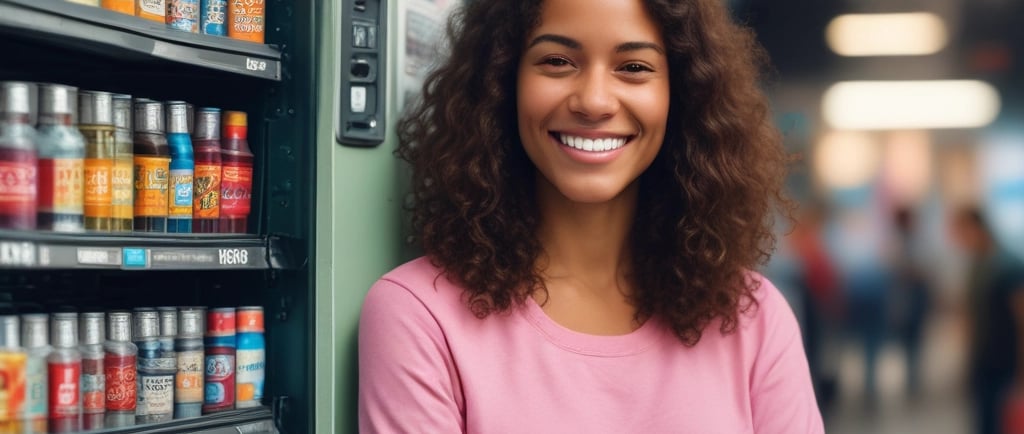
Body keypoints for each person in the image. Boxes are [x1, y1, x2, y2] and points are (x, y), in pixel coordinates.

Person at [358, 0, 823, 432]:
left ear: (680, 94)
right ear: (502, 80)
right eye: (557, 61)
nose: (595, 101)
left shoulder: (754, 320)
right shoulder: (419, 317)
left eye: (634, 67)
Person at [949, 206, 1024, 434]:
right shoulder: (976, 264)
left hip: (1004, 361)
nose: (958, 241)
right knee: (983, 422)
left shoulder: (1008, 265)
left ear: (975, 228)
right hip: (981, 360)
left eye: (960, 232)